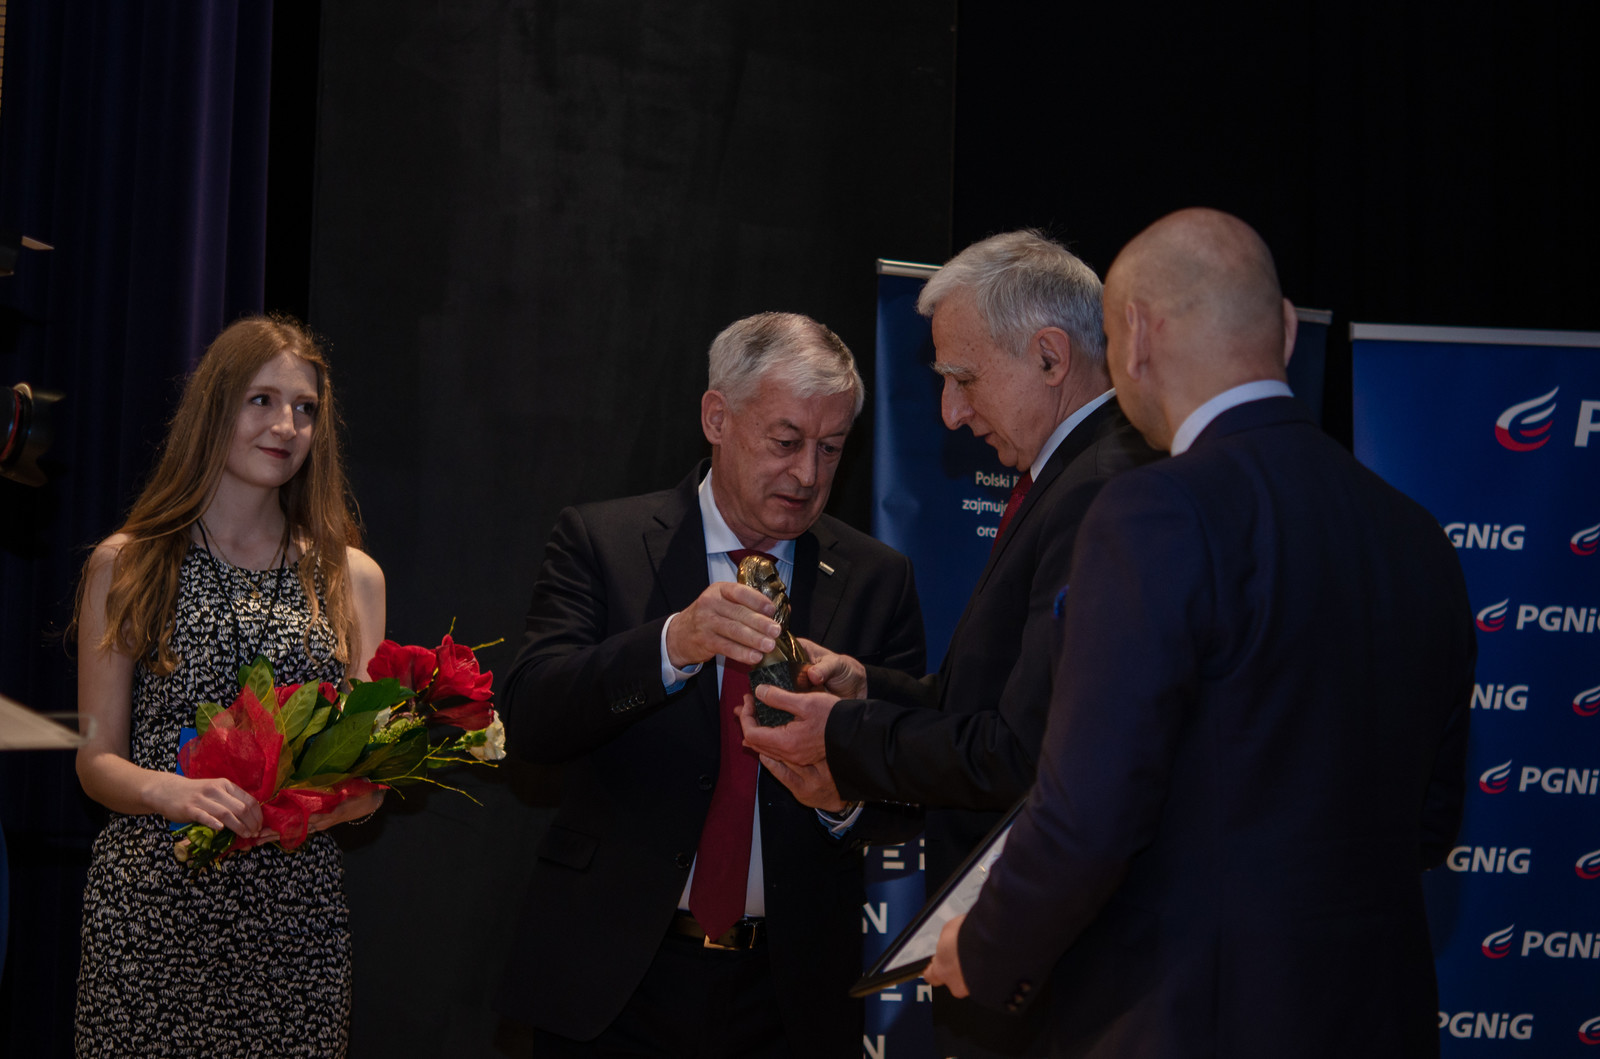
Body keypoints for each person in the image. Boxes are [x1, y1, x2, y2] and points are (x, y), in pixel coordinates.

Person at [923, 209, 1476, 1057]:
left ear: (1138, 336)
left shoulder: (1155, 513)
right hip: (1379, 1018)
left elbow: (1088, 812)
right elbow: (1431, 824)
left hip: (1193, 1019)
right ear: (1284, 329)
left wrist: (986, 946)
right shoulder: (1417, 535)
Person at [738, 231, 1160, 1057]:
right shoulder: (1071, 475)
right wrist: (868, 689)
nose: (951, 413)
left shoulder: (1101, 487)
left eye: (963, 379)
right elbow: (993, 700)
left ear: (1050, 355)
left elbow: (1023, 750)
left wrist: (842, 734)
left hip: (1063, 979)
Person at [494, 311, 926, 1058]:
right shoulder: (605, 541)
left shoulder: (876, 578)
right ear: (717, 417)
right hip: (616, 979)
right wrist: (672, 644)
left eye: (830, 448)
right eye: (786, 441)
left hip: (789, 995)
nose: (808, 475)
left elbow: (911, 780)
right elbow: (532, 717)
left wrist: (841, 799)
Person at [71, 316, 387, 1058]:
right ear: (215, 406)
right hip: (150, 913)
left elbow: (369, 781)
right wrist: (169, 792)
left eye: (305, 408)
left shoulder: (351, 576)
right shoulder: (129, 563)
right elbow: (95, 760)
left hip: (294, 925)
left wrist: (311, 809)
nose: (286, 426)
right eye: (262, 400)